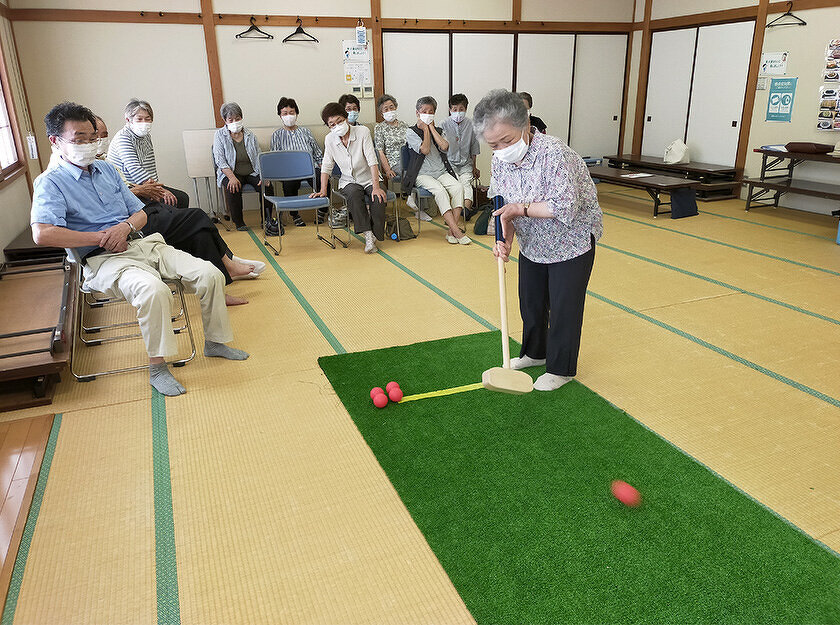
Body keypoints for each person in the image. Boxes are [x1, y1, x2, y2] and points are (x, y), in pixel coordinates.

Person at [32, 102, 249, 396]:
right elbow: (43, 234)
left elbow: (141, 213)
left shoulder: (106, 170)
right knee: (154, 290)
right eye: (79, 139)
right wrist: (101, 237)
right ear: (56, 141)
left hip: (143, 243)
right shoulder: (50, 182)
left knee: (210, 274)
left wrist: (124, 228)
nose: (89, 145)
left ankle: (215, 342)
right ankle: (157, 367)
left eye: (92, 138)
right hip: (103, 259)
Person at [475, 89, 602, 391]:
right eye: (493, 145)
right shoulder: (500, 160)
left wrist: (519, 209)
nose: (501, 149)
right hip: (533, 243)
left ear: (525, 124)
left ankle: (561, 369)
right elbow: (503, 206)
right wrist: (505, 240)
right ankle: (534, 353)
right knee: (531, 301)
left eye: (506, 140)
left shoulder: (555, 154)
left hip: (571, 241)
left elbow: (565, 206)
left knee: (564, 307)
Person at [94, 115, 263, 306]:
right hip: (128, 224)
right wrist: (142, 191)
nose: (99, 140)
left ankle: (220, 286)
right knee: (197, 216)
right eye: (94, 136)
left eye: (104, 135)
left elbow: (126, 189)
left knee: (198, 232)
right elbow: (117, 196)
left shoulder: (105, 163)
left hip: (137, 211)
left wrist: (148, 190)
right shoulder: (85, 168)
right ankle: (228, 261)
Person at [310, 102, 386, 254]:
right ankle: (368, 235)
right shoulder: (329, 139)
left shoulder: (362, 131)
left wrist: (376, 187)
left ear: (345, 117)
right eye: (332, 124)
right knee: (353, 194)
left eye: (339, 121)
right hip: (349, 181)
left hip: (370, 178)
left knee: (378, 198)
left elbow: (372, 160)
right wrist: (323, 189)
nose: (337, 126)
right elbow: (327, 166)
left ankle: (376, 233)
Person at [403, 96, 469, 245]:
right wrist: (425, 129)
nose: (428, 114)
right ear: (417, 113)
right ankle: (457, 232)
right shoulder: (411, 131)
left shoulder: (438, 130)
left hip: (441, 172)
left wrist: (431, 128)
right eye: (424, 111)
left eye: (431, 111)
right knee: (440, 191)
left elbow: (444, 146)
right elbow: (425, 149)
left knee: (458, 187)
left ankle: (451, 231)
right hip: (421, 174)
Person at [107, 98, 190, 208]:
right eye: (139, 119)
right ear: (128, 120)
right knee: (171, 202)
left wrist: (157, 187)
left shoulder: (146, 136)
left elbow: (150, 166)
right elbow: (134, 168)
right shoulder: (123, 137)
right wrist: (159, 190)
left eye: (147, 119)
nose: (144, 123)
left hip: (146, 185)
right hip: (131, 188)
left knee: (182, 197)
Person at [212, 102, 277, 235]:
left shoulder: (249, 134)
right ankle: (239, 222)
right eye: (231, 120)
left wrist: (264, 175)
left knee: (267, 186)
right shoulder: (219, 135)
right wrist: (231, 177)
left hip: (251, 171)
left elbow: (258, 156)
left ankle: (266, 219)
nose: (235, 122)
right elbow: (220, 160)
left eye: (237, 119)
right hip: (230, 172)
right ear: (225, 120)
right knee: (233, 187)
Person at [270, 96, 329, 227]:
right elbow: (275, 159)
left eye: (291, 112)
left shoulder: (305, 132)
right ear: (280, 116)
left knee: (323, 179)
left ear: (296, 114)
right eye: (285, 113)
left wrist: (322, 167)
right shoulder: (277, 135)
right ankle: (294, 214)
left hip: (310, 167)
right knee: (288, 184)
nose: (289, 116)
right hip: (289, 171)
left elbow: (317, 151)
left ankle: (322, 211)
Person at [440, 93, 481, 216]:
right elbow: (440, 148)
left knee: (466, 183)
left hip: (466, 163)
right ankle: (456, 212)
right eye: (455, 109)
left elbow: (474, 147)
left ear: (466, 109)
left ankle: (466, 210)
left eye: (461, 109)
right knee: (457, 185)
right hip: (449, 164)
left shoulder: (472, 125)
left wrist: (474, 167)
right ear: (450, 110)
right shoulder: (443, 124)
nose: (458, 113)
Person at [374, 94, 408, 188]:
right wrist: (387, 170)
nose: (389, 111)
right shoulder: (379, 128)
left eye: (391, 107)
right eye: (386, 109)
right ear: (382, 114)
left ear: (395, 108)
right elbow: (380, 152)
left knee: (422, 169)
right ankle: (413, 193)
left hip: (409, 159)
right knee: (412, 173)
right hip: (395, 163)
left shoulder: (405, 125)